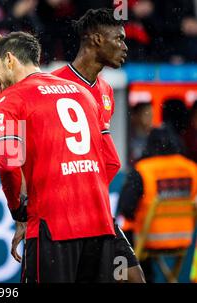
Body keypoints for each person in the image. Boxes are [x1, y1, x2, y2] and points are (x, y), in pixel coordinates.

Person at [0, 31, 116, 282]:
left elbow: (7, 163)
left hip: (53, 225)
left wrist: (18, 212)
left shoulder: (11, 98)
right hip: (100, 224)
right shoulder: (82, 92)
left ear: (10, 60)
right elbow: (111, 160)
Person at [49, 8, 145, 283]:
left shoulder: (106, 92)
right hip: (65, 215)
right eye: (119, 39)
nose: (126, 47)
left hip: (98, 210)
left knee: (133, 277)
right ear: (96, 39)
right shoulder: (53, 84)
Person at [118, 126, 197, 283]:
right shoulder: (191, 169)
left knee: (120, 239)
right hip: (183, 239)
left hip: (148, 238)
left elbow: (126, 208)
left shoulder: (143, 169)